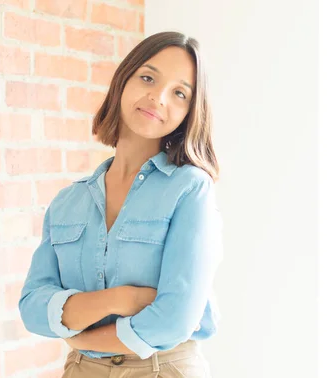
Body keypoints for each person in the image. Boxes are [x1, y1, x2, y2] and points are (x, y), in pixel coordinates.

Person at [19, 31, 223, 378]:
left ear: (190, 111)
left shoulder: (190, 189)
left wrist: (82, 335)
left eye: (179, 93)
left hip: (164, 368)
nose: (158, 98)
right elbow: (33, 308)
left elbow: (175, 319)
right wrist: (120, 300)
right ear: (123, 82)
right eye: (148, 77)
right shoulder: (69, 201)